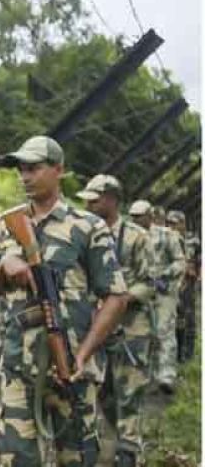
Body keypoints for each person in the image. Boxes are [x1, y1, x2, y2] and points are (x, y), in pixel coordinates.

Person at [0, 136, 128, 466]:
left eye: (34, 168)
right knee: (14, 458)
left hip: (71, 369)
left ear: (58, 170)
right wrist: (4, 267)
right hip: (20, 364)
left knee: (76, 457)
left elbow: (116, 297)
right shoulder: (6, 225)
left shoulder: (87, 227)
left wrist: (84, 353)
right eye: (21, 169)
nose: (25, 176)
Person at [76, 175, 152, 466]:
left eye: (94, 199)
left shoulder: (136, 237)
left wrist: (119, 300)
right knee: (103, 391)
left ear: (111, 200)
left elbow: (149, 282)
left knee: (130, 389)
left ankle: (129, 450)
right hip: (95, 327)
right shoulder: (83, 235)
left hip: (131, 326)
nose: (89, 204)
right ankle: (109, 440)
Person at [130, 202, 185, 393]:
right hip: (140, 291)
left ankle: (166, 376)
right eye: (132, 216)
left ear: (149, 216)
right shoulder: (129, 236)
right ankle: (146, 375)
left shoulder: (167, 235)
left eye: (139, 216)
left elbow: (180, 261)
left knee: (164, 330)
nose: (135, 220)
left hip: (164, 290)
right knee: (143, 332)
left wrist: (165, 275)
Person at [168, 210, 198, 363]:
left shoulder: (193, 240)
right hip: (173, 285)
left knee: (189, 319)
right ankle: (178, 353)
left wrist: (194, 272)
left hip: (188, 286)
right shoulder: (167, 238)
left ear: (182, 223)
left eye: (175, 223)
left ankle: (189, 354)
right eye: (170, 223)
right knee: (176, 321)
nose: (172, 226)